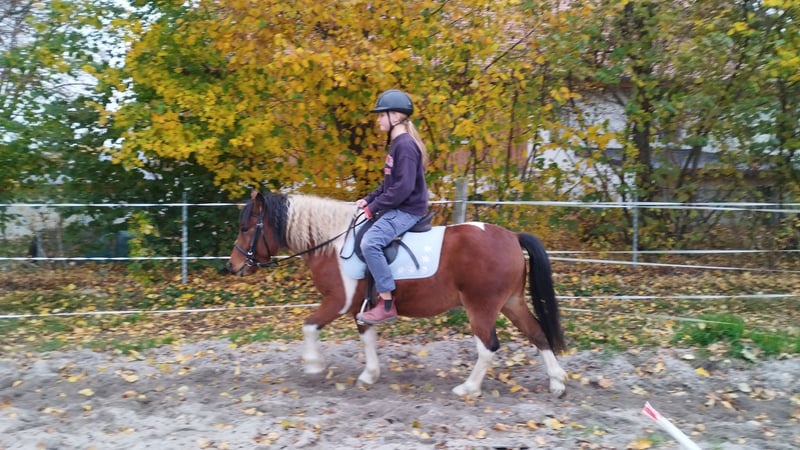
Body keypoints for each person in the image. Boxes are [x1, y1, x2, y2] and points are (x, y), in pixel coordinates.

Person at [355, 89, 430, 325]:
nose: (378, 120)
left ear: (395, 117)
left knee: (370, 242)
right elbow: (389, 184)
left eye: (381, 115)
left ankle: (387, 303)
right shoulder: (398, 144)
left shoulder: (405, 146)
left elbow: (403, 189)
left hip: (407, 210)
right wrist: (368, 200)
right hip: (399, 206)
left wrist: (374, 207)